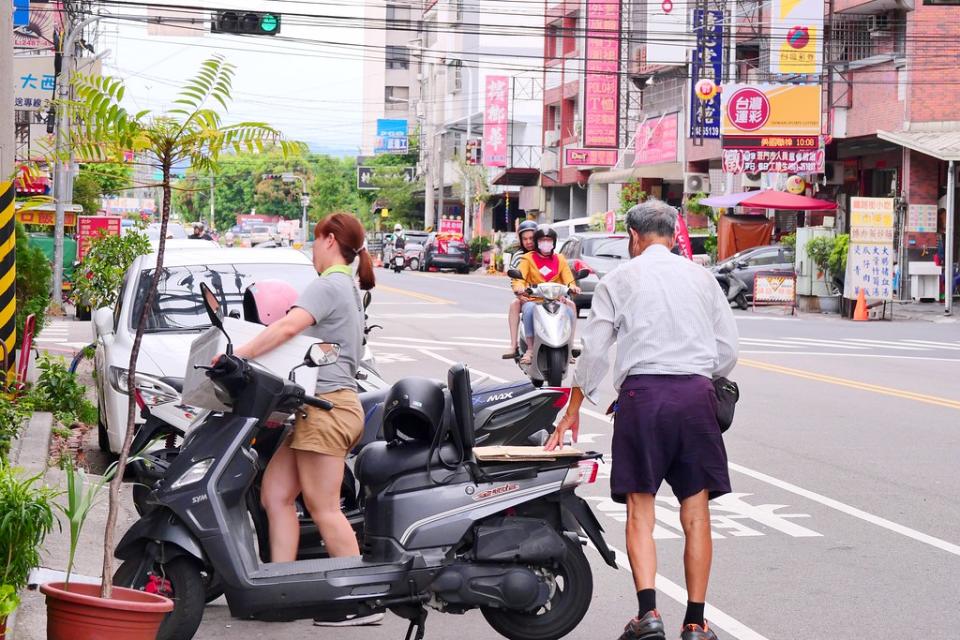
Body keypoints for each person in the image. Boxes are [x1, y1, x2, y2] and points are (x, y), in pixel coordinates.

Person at [546, 199, 738, 640]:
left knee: (640, 508)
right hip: (695, 396)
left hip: (643, 397)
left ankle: (648, 615)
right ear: (673, 234)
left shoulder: (620, 279)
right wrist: (700, 379)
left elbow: (594, 351)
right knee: (696, 512)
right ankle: (696, 621)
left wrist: (574, 407)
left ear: (634, 237)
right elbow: (727, 351)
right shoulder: (702, 279)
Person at [217, 212, 381, 627]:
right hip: (312, 409)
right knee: (275, 496)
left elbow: (289, 327)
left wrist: (240, 354)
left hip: (328, 409)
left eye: (314, 240)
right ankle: (282, 592)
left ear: (328, 239)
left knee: (324, 508)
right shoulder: (346, 286)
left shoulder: (331, 284)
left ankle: (358, 603)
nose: (312, 250)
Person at [514, 226, 580, 366]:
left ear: (554, 242)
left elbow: (568, 278)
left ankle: (569, 347)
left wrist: (572, 286)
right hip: (535, 300)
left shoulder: (560, 259)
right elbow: (520, 277)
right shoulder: (528, 258)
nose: (545, 243)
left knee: (570, 308)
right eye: (542, 240)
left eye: (548, 240)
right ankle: (530, 349)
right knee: (529, 309)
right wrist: (520, 287)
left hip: (555, 300)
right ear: (537, 242)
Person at [501, 220, 539, 358]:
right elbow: (515, 280)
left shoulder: (546, 255)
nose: (529, 242)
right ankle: (513, 345)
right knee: (514, 304)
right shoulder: (518, 256)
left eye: (531, 238)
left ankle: (567, 345)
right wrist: (519, 293)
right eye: (525, 239)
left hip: (548, 296)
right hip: (527, 296)